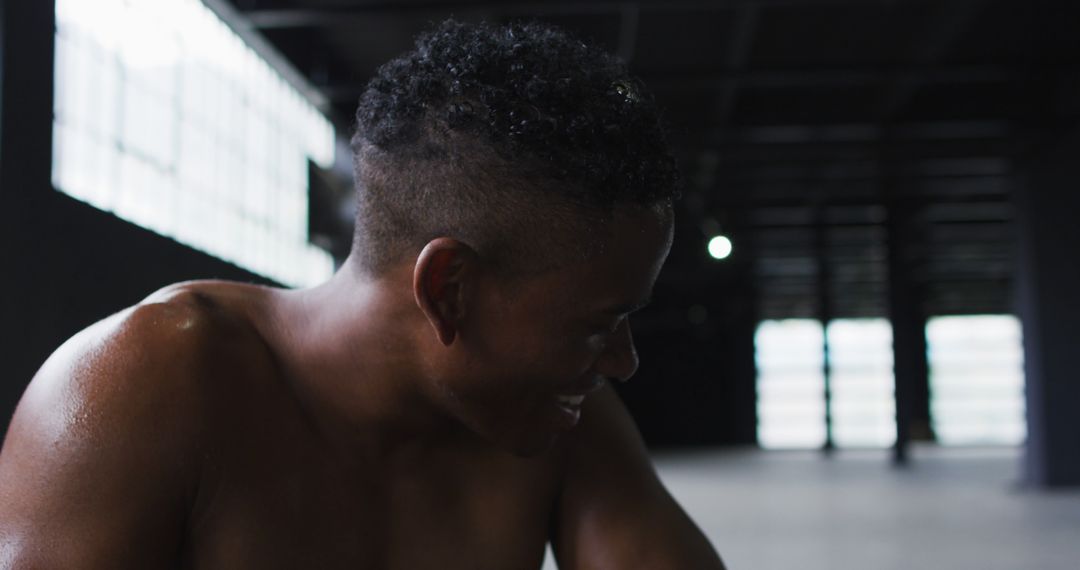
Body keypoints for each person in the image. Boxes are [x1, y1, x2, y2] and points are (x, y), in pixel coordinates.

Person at [0, 19, 726, 569]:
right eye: (599, 324)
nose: (623, 362)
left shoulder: (551, 412)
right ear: (450, 289)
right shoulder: (146, 381)